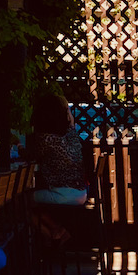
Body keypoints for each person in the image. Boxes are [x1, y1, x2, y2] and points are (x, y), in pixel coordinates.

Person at [27, 92, 89, 244]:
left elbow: (31, 156)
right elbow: (71, 122)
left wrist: (19, 146)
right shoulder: (71, 136)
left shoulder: (45, 139)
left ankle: (52, 233)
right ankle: (56, 230)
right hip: (81, 192)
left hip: (62, 193)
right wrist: (67, 111)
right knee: (29, 202)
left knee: (20, 202)